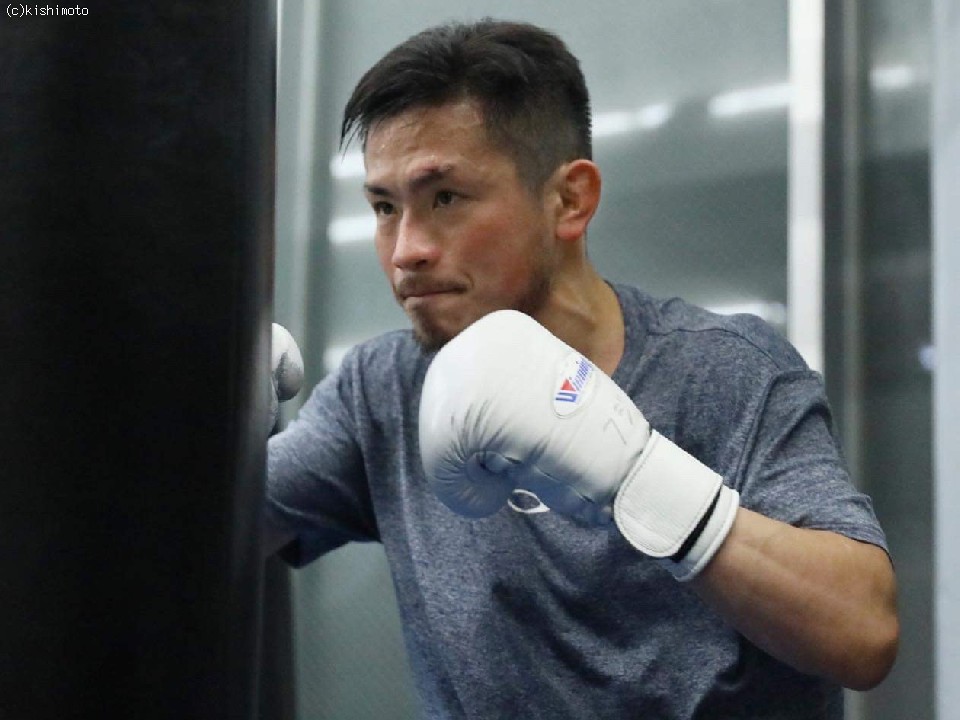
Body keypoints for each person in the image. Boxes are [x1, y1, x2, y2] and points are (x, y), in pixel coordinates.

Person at [264, 18, 898, 719]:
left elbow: (864, 633)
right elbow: (207, 534)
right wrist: (207, 410)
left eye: (444, 198)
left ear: (570, 199)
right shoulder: (383, 390)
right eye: (385, 207)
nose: (405, 250)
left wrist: (640, 480)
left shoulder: (723, 371)